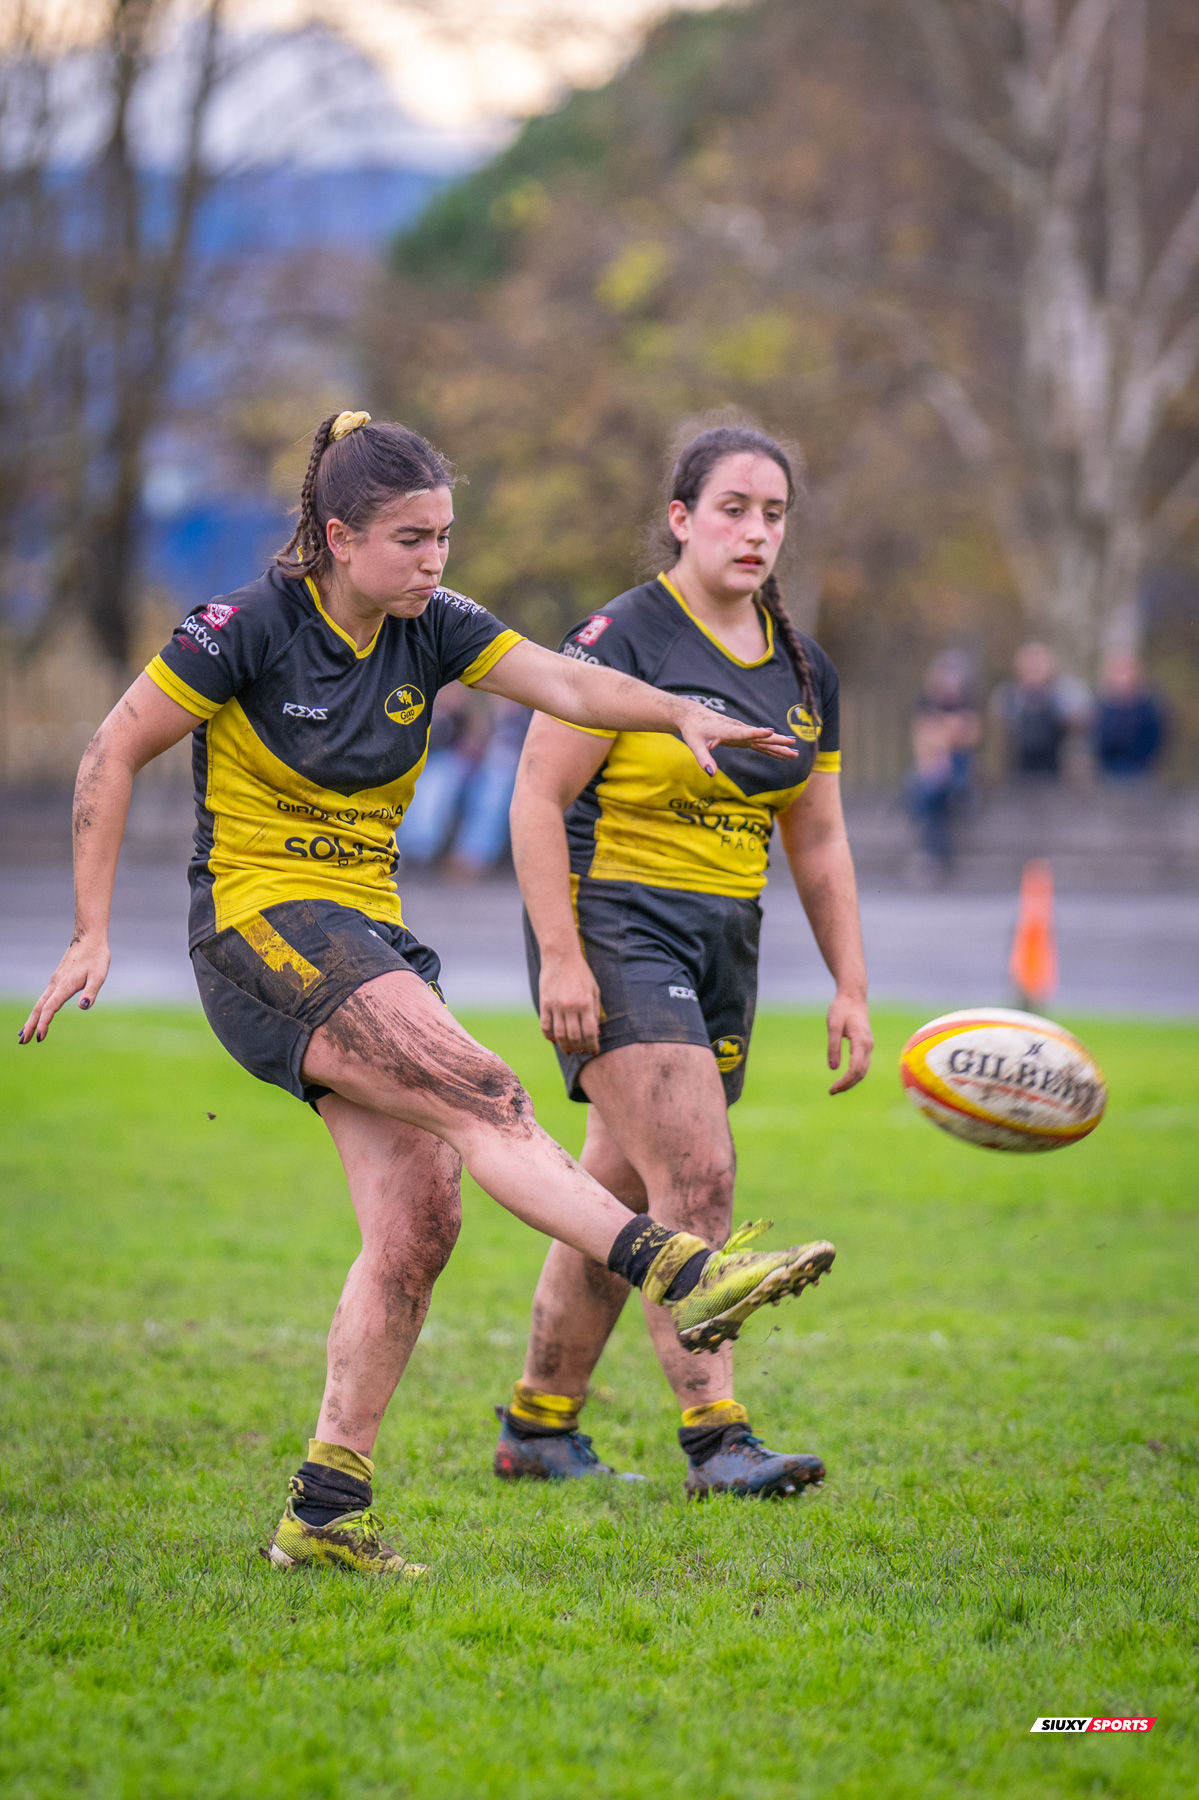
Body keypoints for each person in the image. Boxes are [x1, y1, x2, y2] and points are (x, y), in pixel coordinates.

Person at [19, 411, 841, 1575]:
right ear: (338, 536)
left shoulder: (434, 624)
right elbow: (110, 750)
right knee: (486, 1091)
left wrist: (675, 709)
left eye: (446, 537)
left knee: (420, 1219)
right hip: (261, 928)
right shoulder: (246, 626)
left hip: (368, 935)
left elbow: (563, 680)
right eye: (411, 539)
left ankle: (322, 1509)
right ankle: (682, 1267)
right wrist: (91, 929)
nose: (435, 562)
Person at [494, 423, 872, 1501]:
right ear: (680, 518)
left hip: (721, 941)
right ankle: (718, 1440)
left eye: (774, 513)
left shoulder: (804, 670)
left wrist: (848, 983)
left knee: (616, 1189)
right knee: (697, 1177)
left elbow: (820, 839)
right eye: (732, 510)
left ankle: (539, 1426)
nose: (756, 532)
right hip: (614, 925)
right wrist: (560, 957)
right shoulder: (619, 637)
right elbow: (535, 796)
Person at [903, 650, 980, 875]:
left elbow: (968, 737)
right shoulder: (925, 702)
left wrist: (940, 734)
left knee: (938, 794)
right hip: (933, 766)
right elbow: (923, 740)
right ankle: (938, 855)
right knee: (928, 793)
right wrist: (948, 732)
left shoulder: (966, 703)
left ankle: (933, 855)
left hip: (959, 765)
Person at [989, 641, 1090, 780]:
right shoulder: (1006, 696)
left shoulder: (1065, 693)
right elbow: (996, 739)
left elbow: (1083, 723)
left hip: (1057, 776)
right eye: (1029, 662)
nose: (1034, 667)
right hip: (1016, 777)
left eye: (1039, 663)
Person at [1093, 648, 1167, 778]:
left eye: (1124, 671)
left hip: (1141, 775)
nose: (1121, 678)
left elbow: (1158, 743)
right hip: (1105, 775)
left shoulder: (1150, 707)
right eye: (1116, 671)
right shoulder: (1099, 706)